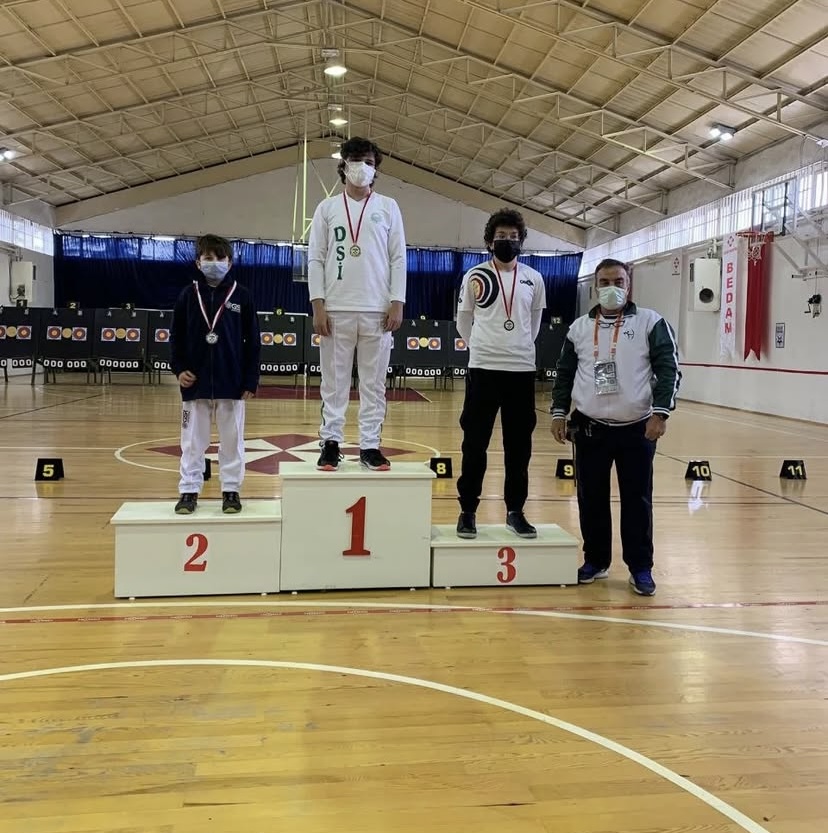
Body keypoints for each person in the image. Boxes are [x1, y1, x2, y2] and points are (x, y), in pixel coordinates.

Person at [550, 258, 681, 595]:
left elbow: (669, 369)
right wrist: (558, 412)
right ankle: (595, 560)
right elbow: (564, 373)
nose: (612, 288)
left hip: (637, 428)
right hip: (590, 428)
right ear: (595, 287)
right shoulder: (579, 328)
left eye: (618, 281)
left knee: (637, 500)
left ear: (629, 284)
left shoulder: (651, 322)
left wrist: (661, 414)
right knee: (590, 498)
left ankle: (640, 567)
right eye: (605, 282)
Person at [308, 136, 406, 471]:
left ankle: (370, 445)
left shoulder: (388, 207)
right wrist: (318, 305)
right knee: (333, 382)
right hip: (336, 309)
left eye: (368, 161)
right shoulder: (326, 209)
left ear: (375, 168)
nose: (362, 167)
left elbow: (398, 258)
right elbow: (315, 259)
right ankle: (330, 443)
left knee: (373, 384)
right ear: (343, 165)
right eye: (355, 160)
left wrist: (397, 301)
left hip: (378, 310)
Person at [455, 208, 546, 539]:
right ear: (489, 241)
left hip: (520, 371)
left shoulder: (534, 278)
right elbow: (464, 320)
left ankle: (515, 511)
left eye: (513, 237)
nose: (507, 241)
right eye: (501, 236)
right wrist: (482, 346)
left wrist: (517, 347)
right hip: (483, 369)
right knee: (474, 444)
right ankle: (467, 511)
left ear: (521, 241)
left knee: (519, 448)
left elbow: (534, 324)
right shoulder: (475, 275)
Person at [170, 234, 260, 515]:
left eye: (220, 258)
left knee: (232, 441)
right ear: (198, 262)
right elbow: (175, 337)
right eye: (208, 258)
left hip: (231, 383)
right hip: (194, 382)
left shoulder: (241, 295)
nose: (215, 263)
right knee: (192, 442)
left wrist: (250, 379)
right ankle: (189, 490)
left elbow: (253, 340)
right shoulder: (188, 295)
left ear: (229, 262)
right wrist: (179, 369)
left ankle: (231, 490)